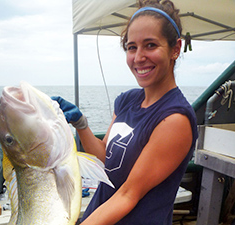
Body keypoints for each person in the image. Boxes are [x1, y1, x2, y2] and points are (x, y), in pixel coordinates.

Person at [52, 0, 198, 224]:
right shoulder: (128, 100)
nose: (138, 57)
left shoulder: (174, 119)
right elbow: (105, 158)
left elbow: (128, 194)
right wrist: (81, 124)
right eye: (132, 47)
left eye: (150, 45)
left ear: (175, 49)